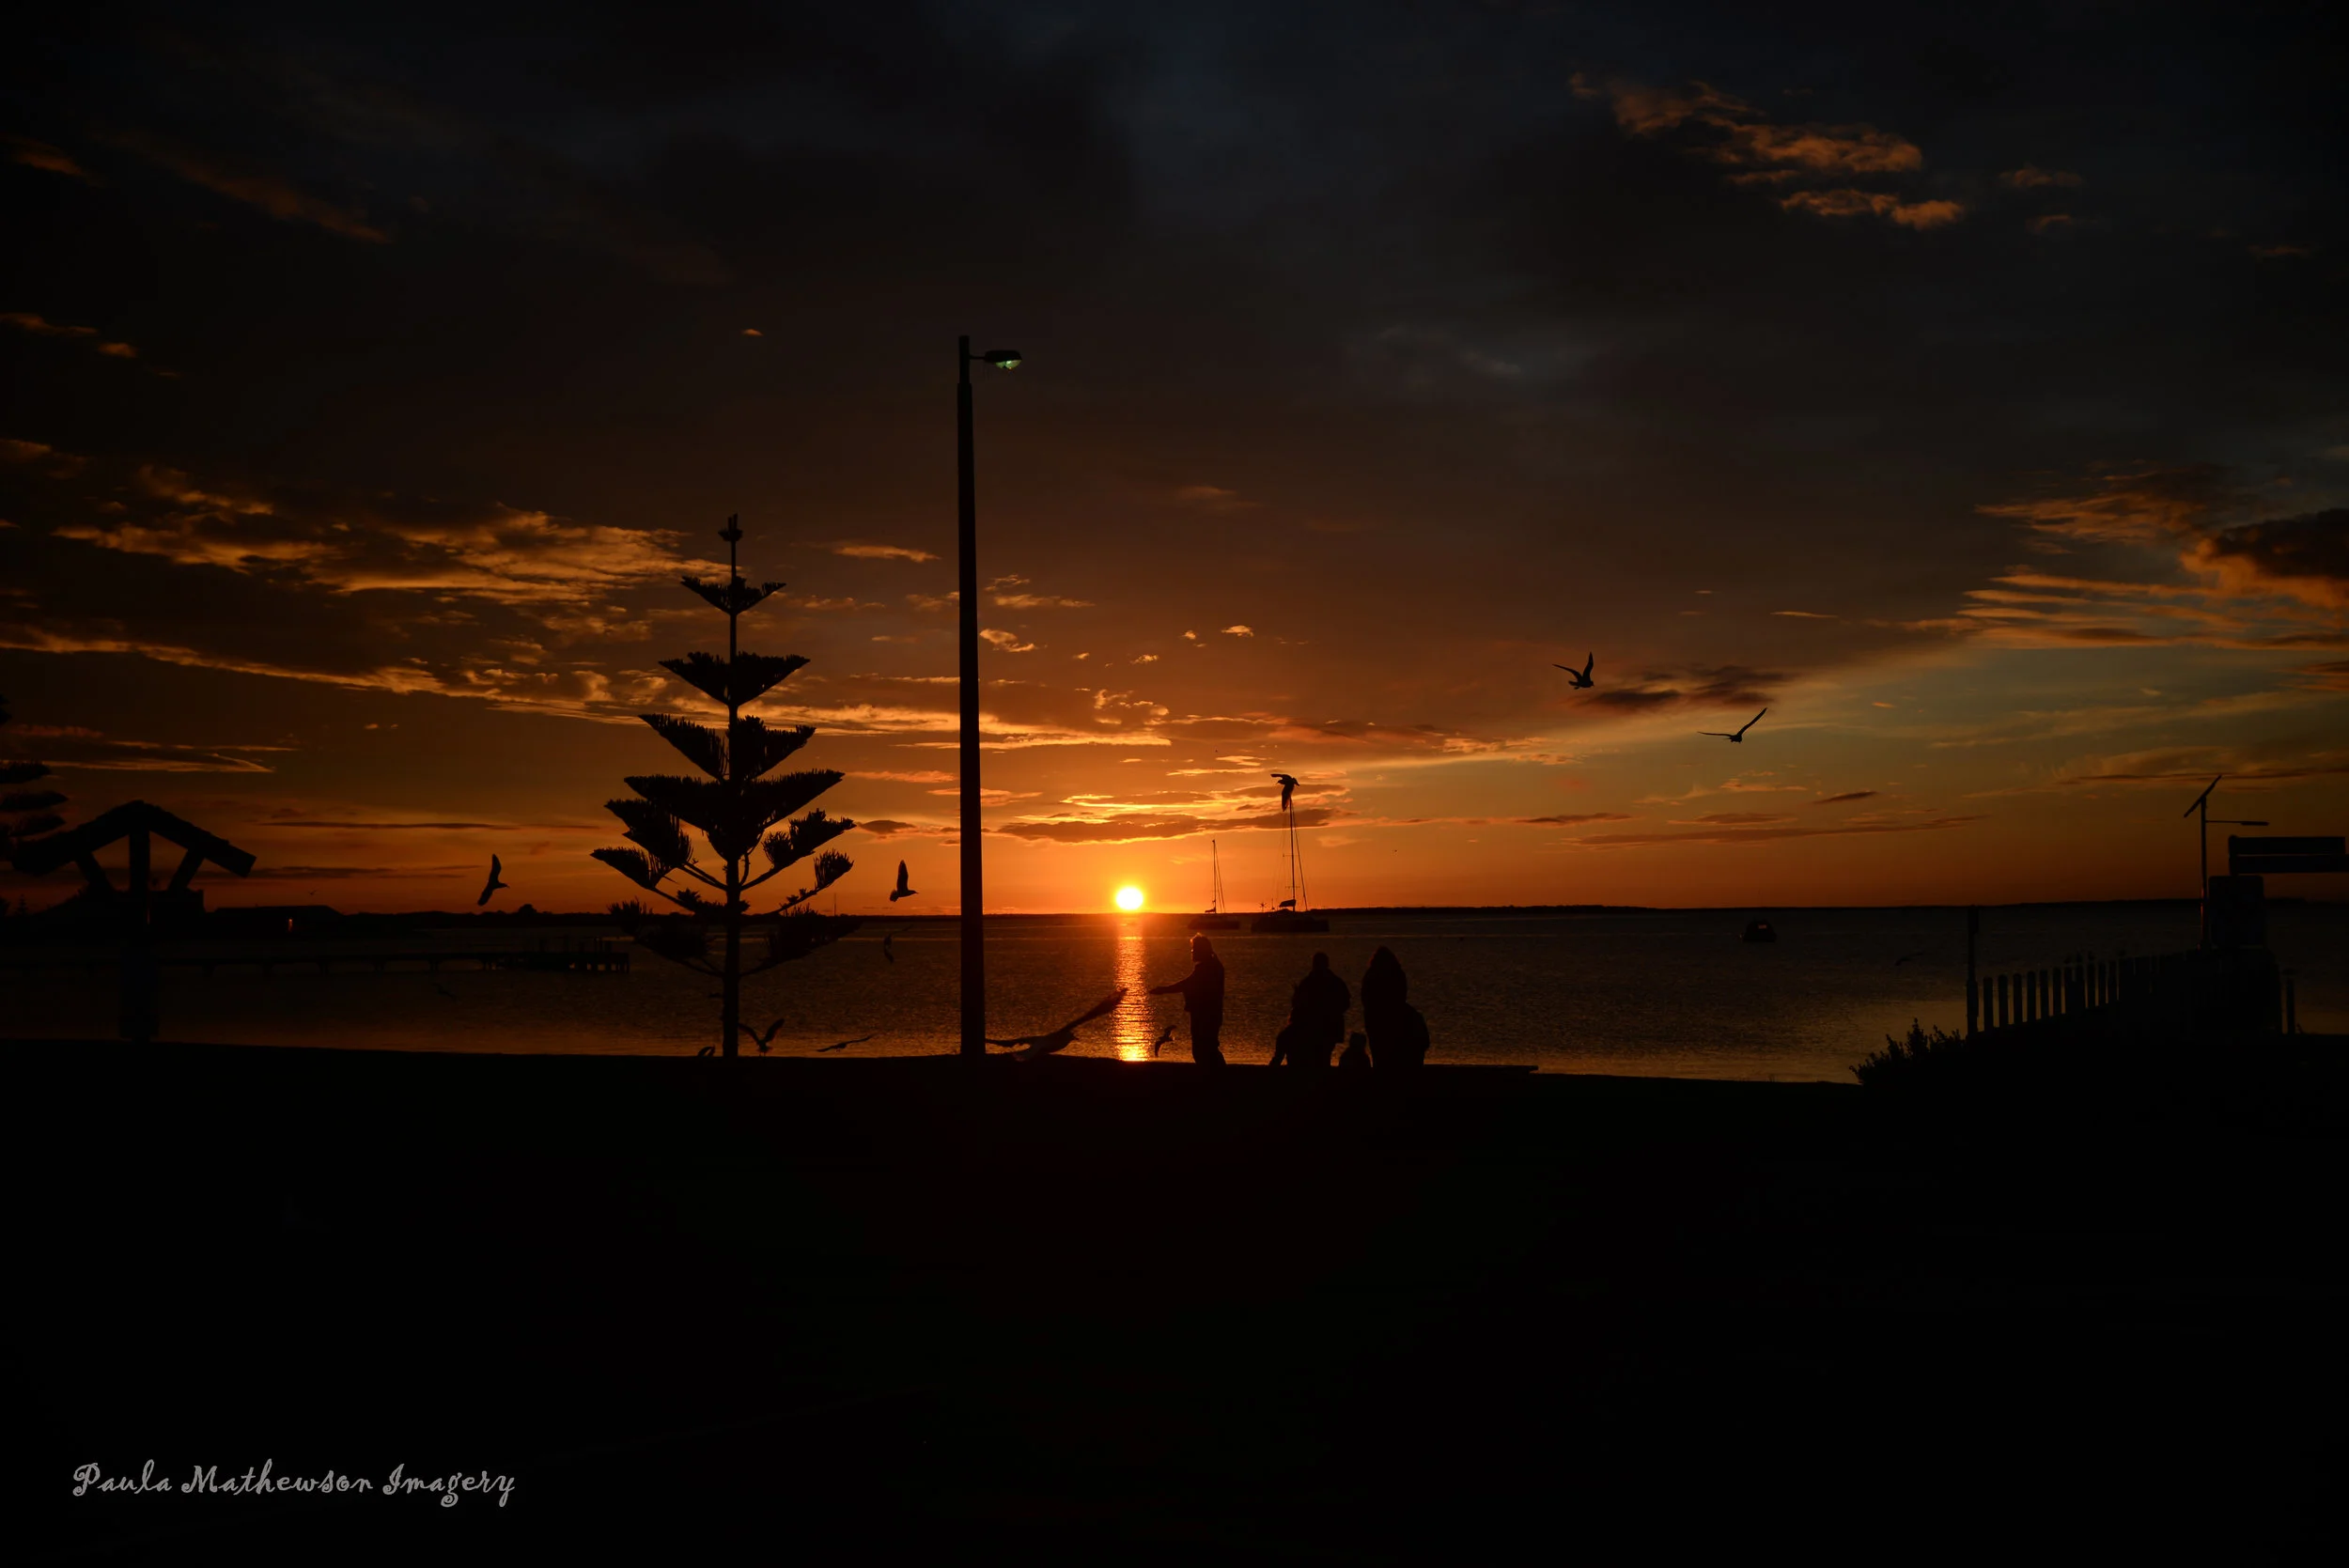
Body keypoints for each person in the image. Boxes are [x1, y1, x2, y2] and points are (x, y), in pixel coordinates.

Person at [1146, 934, 1228, 1066]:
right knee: (1208, 1048)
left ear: (1201, 950)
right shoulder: (1214, 966)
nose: (1192, 952)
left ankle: (1216, 1078)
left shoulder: (1206, 968)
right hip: (1211, 1015)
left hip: (1204, 1015)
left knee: (1203, 1050)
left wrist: (1163, 990)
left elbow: (1187, 984)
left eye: (1194, 949)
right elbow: (1189, 984)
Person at [1271, 952, 1348, 1067]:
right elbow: (1346, 1002)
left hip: (1313, 1028)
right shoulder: (1336, 981)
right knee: (1323, 1057)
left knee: (1316, 1056)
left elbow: (1298, 1004)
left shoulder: (1309, 982)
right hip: (1330, 1028)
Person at [1361, 946, 1428, 1068]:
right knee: (1392, 1048)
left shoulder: (1371, 974)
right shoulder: (1397, 973)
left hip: (1374, 1017)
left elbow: (1365, 997)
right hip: (1393, 1017)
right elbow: (1402, 995)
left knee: (1377, 1049)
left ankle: (1379, 1072)